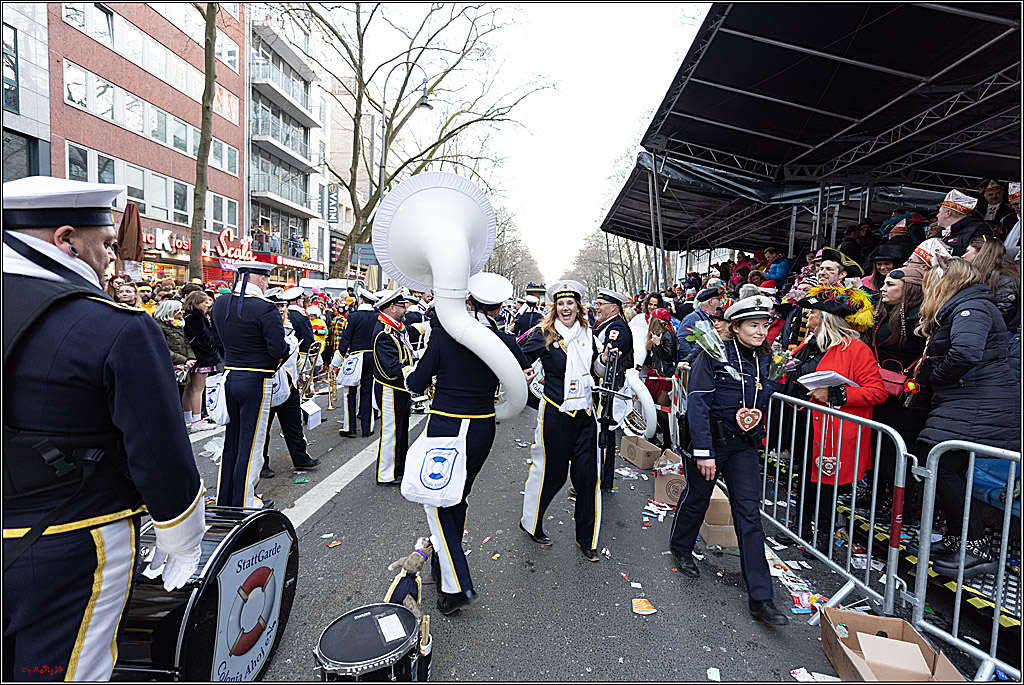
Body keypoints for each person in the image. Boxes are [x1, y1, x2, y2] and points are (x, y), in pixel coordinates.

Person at [3, 176, 205, 681]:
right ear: (65, 239)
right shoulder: (116, 326)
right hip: (76, 539)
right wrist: (181, 539)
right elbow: (161, 453)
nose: (113, 258)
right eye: (109, 245)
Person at [406, 273, 533, 616]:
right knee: (456, 497)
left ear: (469, 301)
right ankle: (443, 567)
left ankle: (456, 584)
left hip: (446, 425)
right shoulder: (503, 338)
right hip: (481, 428)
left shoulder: (445, 336)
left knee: (435, 502)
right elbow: (524, 378)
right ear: (500, 306)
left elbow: (417, 383)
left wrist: (411, 374)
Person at [668, 296, 790, 626]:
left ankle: (761, 598)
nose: (761, 331)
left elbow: (763, 401)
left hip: (744, 447)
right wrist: (705, 452)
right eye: (753, 325)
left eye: (764, 325)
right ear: (735, 327)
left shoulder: (766, 361)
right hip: (710, 441)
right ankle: (680, 546)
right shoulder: (713, 356)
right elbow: (697, 404)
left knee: (749, 514)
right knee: (698, 498)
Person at [914, 258, 1021, 577]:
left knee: (943, 468)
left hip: (978, 403)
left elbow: (966, 352)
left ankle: (976, 545)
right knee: (943, 468)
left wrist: (938, 377)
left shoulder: (971, 308)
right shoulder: (968, 306)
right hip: (970, 401)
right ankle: (958, 539)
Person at [785, 284, 887, 541]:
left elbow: (877, 391)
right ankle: (801, 529)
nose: (808, 317)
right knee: (806, 479)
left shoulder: (855, 349)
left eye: (813, 313)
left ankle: (822, 536)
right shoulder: (809, 344)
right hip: (806, 424)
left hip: (833, 429)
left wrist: (836, 394)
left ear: (826, 318)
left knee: (826, 486)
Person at [519, 280, 603, 561]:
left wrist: (607, 359)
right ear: (554, 307)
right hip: (555, 414)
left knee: (587, 478)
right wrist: (522, 373)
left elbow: (598, 368)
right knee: (551, 475)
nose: (566, 307)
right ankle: (531, 523)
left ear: (578, 306)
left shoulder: (590, 334)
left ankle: (586, 538)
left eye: (571, 302)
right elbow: (517, 356)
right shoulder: (544, 334)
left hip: (586, 415)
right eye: (561, 303)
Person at [209, 260, 289, 508]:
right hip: (256, 378)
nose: (267, 284)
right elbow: (278, 348)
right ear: (261, 279)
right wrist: (288, 349)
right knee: (251, 442)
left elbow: (216, 339)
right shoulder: (265, 308)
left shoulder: (220, 303)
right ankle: (245, 499)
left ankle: (227, 497)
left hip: (231, 375)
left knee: (232, 440)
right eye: (266, 279)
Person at [869, 264, 928, 522]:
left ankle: (898, 507)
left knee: (897, 452)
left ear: (909, 290)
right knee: (879, 447)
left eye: (891, 284)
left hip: (906, 399)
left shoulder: (917, 318)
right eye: (883, 283)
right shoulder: (885, 312)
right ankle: (878, 497)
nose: (883, 287)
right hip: (883, 392)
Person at [260, 291, 321, 479]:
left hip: (289, 381)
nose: (279, 310)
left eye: (281, 306)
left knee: (293, 424)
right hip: (268, 383)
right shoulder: (261, 327)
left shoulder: (288, 325)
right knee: (263, 428)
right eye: (275, 306)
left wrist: (300, 373)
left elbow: (293, 355)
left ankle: (300, 458)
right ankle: (261, 464)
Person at [592, 288, 634, 490]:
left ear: (613, 307)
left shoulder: (617, 328)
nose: (596, 307)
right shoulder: (604, 325)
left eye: (601, 304)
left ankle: (602, 480)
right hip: (601, 385)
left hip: (609, 386)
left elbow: (609, 357)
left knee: (604, 433)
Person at [373, 289, 416, 485]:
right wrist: (416, 373)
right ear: (391, 308)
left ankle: (399, 468)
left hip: (398, 388)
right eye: (402, 306)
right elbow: (392, 366)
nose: (405, 309)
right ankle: (386, 474)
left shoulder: (395, 329)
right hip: (389, 388)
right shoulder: (384, 333)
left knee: (401, 429)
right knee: (391, 431)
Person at [336, 288, 380, 438]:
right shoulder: (377, 316)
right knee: (367, 392)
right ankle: (367, 427)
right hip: (372, 357)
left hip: (356, 357)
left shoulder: (353, 316)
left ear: (361, 300)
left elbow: (345, 340)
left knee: (350, 392)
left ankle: (350, 427)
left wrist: (336, 362)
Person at [181, 290, 222, 432]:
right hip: (202, 357)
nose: (208, 304)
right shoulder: (196, 317)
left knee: (189, 388)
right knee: (198, 389)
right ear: (198, 302)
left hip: (194, 356)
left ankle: (188, 417)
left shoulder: (189, 315)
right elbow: (203, 337)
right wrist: (214, 342)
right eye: (206, 302)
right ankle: (197, 419)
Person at [963, 234, 1021, 331]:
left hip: (1002, 333)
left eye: (968, 251)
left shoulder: (1004, 277)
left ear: (981, 254)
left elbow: (1004, 312)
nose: (963, 256)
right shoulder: (981, 274)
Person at [644, 308, 678, 448]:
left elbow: (668, 357)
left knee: (662, 411)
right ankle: (653, 438)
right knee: (651, 408)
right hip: (653, 374)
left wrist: (658, 345)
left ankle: (667, 442)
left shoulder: (667, 335)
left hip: (663, 376)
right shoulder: (654, 334)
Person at [153, 299, 196, 409]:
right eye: (179, 310)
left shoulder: (179, 325)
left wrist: (191, 358)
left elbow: (186, 342)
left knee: (180, 395)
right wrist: (184, 360)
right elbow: (162, 349)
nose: (182, 312)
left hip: (182, 367)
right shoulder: (158, 326)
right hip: (168, 366)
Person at [937, 189, 991, 257]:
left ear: (948, 213)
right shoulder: (946, 233)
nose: (937, 215)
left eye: (939, 212)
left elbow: (983, 254)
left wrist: (949, 249)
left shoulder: (978, 229)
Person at [677, 287, 722, 357]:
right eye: (718, 299)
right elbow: (682, 340)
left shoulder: (711, 317)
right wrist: (693, 359)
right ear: (711, 302)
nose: (720, 302)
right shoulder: (692, 318)